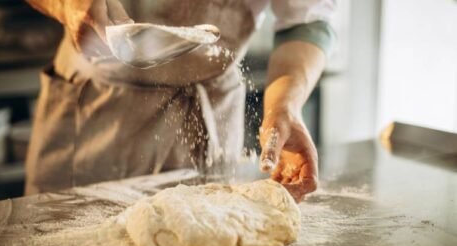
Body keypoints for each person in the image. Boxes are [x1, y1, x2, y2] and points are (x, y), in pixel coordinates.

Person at [25, 0, 336, 202]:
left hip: (211, 108)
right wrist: (67, 5)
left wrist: (285, 105)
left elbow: (306, 20)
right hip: (100, 111)